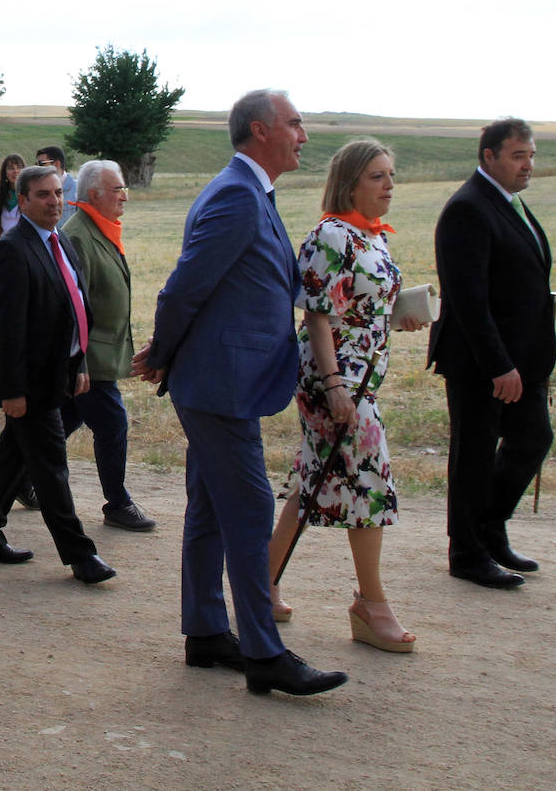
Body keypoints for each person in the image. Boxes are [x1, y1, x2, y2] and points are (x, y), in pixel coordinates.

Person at [134, 89, 347, 696]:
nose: (304, 134)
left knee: (209, 508)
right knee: (252, 510)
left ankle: (205, 633)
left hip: (224, 381)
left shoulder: (249, 191)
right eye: (296, 124)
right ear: (260, 130)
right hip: (216, 384)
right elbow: (182, 289)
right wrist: (165, 354)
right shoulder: (236, 193)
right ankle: (262, 650)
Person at [266, 139, 424, 653]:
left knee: (314, 479)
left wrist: (399, 316)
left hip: (359, 377)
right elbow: (316, 314)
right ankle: (370, 605)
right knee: (370, 478)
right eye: (378, 176)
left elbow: (362, 305)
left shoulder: (371, 236)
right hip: (332, 380)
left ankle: (260, 585)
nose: (390, 186)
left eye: (391, 176)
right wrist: (334, 386)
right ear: (351, 181)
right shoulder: (331, 235)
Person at [0, 165, 115, 585]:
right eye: (43, 195)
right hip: (28, 383)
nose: (54, 201)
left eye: (57, 193)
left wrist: (79, 362)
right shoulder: (14, 249)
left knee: (12, 459)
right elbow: (7, 328)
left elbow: (74, 308)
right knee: (51, 469)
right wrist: (13, 390)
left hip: (57, 373)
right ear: (24, 200)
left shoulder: (60, 240)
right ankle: (81, 556)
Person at [428, 118, 556, 589]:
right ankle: (466, 552)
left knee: (532, 439)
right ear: (489, 157)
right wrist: (498, 364)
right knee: (474, 457)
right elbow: (468, 301)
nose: (528, 165)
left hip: (523, 361)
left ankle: (489, 529)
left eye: (532, 155)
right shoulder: (467, 209)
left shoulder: (509, 203)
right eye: (518, 156)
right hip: (480, 362)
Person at [55, 159, 154, 531]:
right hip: (88, 356)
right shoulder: (79, 234)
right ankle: (118, 503)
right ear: (94, 194)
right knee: (112, 423)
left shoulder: (100, 227)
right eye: (119, 189)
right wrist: (77, 360)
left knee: (64, 419)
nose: (125, 197)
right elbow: (72, 306)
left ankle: (20, 480)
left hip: (96, 353)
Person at [0, 154, 26, 248]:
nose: (15, 171)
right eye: (10, 168)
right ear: (4, 172)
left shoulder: (30, 195)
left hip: (25, 248)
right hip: (5, 247)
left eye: (19, 167)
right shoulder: (0, 197)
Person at [36, 146, 77, 226]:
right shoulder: (38, 191)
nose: (38, 169)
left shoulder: (78, 190)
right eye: (37, 165)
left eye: (41, 164)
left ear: (56, 164)